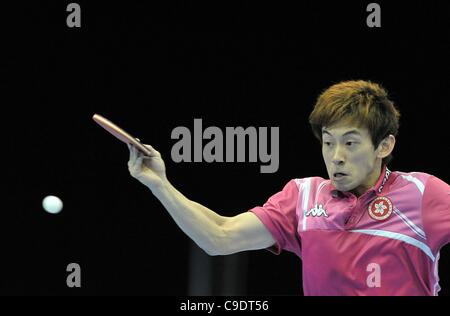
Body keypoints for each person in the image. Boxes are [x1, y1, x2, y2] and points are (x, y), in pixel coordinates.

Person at [127, 80, 450, 296]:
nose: (336, 156)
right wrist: (160, 184)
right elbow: (219, 236)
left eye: (350, 143)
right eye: (328, 143)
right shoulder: (303, 197)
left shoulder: (422, 194)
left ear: (384, 145)